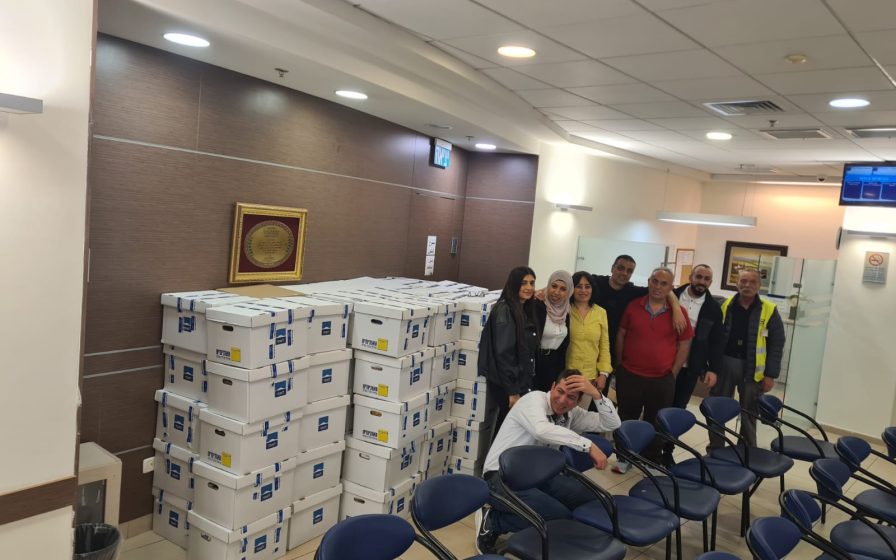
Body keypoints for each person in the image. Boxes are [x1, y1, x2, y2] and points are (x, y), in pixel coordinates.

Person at [476, 369, 621, 554]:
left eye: (571, 397)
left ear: (578, 401)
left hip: (540, 476)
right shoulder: (534, 399)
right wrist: (588, 445)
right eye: (560, 391)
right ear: (552, 387)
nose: (562, 400)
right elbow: (541, 430)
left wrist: (596, 395)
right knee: (556, 516)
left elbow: (612, 424)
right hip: (500, 478)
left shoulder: (572, 413)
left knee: (589, 499)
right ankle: (493, 521)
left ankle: (560, 538)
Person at [613, 267, 693, 473]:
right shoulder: (633, 306)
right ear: (649, 281)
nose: (658, 286)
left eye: (664, 283)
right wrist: (620, 364)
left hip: (662, 378)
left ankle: (652, 461)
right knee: (626, 417)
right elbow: (621, 334)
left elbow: (685, 344)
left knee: (657, 422)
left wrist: (673, 372)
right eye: (655, 281)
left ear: (671, 287)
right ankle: (624, 456)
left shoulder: (679, 313)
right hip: (630, 375)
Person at [708, 268, 785, 450]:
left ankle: (747, 451)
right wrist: (709, 367)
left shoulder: (769, 310)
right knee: (717, 409)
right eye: (743, 281)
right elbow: (712, 337)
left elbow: (776, 345)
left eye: (752, 282)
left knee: (750, 413)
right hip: (724, 365)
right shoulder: (724, 305)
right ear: (737, 283)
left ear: (759, 285)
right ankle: (715, 450)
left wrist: (770, 375)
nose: (747, 285)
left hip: (753, 370)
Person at [593, 255, 686, 394]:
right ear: (612, 268)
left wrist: (676, 308)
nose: (624, 273)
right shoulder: (595, 282)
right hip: (587, 345)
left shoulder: (632, 292)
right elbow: (571, 283)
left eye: (629, 271)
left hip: (608, 352)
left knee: (599, 397)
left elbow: (662, 290)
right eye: (620, 268)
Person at [662, 264, 724, 466]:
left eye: (706, 279)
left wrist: (713, 368)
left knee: (677, 409)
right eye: (698, 277)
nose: (701, 282)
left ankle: (667, 450)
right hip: (662, 362)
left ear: (711, 282)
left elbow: (716, 341)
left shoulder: (713, 309)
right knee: (657, 406)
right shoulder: (671, 295)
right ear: (690, 277)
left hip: (689, 368)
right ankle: (648, 448)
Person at [477, 266, 539, 452]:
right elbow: (504, 353)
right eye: (523, 283)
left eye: (532, 283)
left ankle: (502, 463)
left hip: (517, 379)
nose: (529, 287)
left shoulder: (522, 308)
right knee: (507, 430)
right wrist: (512, 391)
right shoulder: (505, 309)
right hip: (507, 383)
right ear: (514, 284)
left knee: (512, 428)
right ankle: (495, 465)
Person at [565, 271, 612, 408]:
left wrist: (603, 374)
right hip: (565, 374)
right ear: (572, 288)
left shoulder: (601, 312)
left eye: (587, 286)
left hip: (589, 378)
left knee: (581, 416)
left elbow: (604, 346)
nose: (583, 290)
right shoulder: (565, 309)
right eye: (579, 286)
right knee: (561, 414)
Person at [532, 270, 573, 393]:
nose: (556, 292)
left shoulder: (566, 313)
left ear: (569, 292)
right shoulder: (537, 306)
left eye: (563, 289)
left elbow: (564, 346)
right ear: (548, 286)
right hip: (535, 362)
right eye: (554, 286)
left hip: (554, 366)